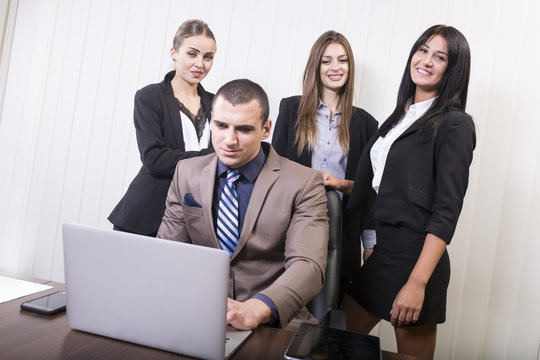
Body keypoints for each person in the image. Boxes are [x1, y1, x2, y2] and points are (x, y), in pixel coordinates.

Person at [341, 25, 476, 358]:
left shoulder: (455, 124)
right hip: (382, 253)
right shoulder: (398, 117)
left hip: (418, 257)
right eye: (423, 50)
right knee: (337, 341)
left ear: (453, 69)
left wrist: (417, 283)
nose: (427, 61)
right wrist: (369, 242)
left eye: (440, 56)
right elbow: (380, 187)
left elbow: (447, 209)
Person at [157, 79, 329, 331]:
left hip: (273, 322)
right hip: (197, 315)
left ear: (266, 129)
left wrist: (256, 308)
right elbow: (167, 253)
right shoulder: (186, 172)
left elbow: (308, 266)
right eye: (221, 125)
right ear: (211, 120)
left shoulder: (304, 183)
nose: (229, 140)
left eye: (244, 129)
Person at [272, 30, 378, 285]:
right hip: (292, 225)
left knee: (335, 310)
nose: (335, 67)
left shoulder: (366, 124)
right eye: (326, 60)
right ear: (316, 66)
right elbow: (272, 172)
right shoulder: (290, 109)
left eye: (342, 60)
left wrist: (371, 243)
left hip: (343, 233)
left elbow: (369, 190)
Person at [108, 19, 217, 236]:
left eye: (208, 57)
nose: (200, 64)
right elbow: (154, 159)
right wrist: (209, 158)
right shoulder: (150, 97)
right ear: (174, 53)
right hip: (146, 215)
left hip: (197, 220)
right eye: (192, 54)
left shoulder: (217, 103)